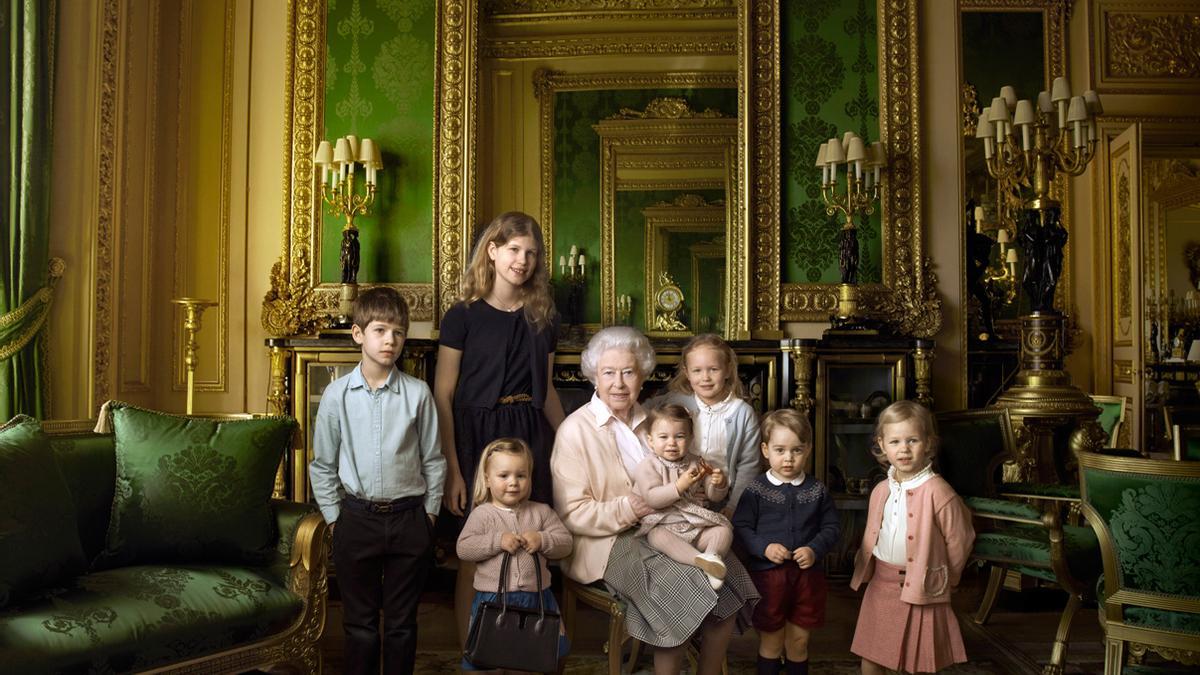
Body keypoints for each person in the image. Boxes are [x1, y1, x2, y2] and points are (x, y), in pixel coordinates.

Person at [551, 327, 758, 675]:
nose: (619, 383)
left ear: (643, 375)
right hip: (608, 540)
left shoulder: (655, 421)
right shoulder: (575, 430)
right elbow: (573, 513)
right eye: (609, 373)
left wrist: (703, 488)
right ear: (593, 377)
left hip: (668, 525)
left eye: (628, 372)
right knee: (678, 586)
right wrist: (631, 508)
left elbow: (686, 474)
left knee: (732, 576)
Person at [435, 211, 567, 645]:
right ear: (492, 251)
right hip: (476, 438)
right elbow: (444, 395)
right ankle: (471, 654)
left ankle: (526, 649)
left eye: (531, 253)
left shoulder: (543, 317)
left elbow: (546, 391)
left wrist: (569, 444)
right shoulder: (463, 316)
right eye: (513, 249)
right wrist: (454, 470)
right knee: (475, 555)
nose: (522, 260)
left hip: (527, 436)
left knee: (531, 546)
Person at [308, 286, 446, 675]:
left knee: (402, 626)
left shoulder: (418, 395)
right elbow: (323, 465)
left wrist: (430, 516)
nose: (390, 340)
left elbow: (433, 460)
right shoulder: (336, 396)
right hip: (356, 519)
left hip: (409, 520)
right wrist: (336, 519)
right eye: (381, 330)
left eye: (398, 332)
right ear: (358, 334)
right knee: (361, 627)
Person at [850, 400, 975, 674]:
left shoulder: (939, 491)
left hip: (922, 587)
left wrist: (948, 579)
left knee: (917, 660)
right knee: (870, 655)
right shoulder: (881, 490)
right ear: (882, 445)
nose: (903, 449)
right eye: (895, 442)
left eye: (913, 440)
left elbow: (960, 539)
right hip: (881, 584)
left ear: (929, 444)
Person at [733, 409, 840, 675]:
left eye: (797, 450)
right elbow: (741, 527)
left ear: (809, 450)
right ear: (765, 450)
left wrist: (814, 549)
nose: (788, 459)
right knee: (771, 640)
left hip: (807, 579)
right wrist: (764, 547)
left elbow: (831, 527)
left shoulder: (817, 490)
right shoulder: (756, 490)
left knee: (799, 641)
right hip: (769, 580)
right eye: (780, 450)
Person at [456, 438, 573, 672]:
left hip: (537, 599)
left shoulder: (541, 512)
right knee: (489, 658)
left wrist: (542, 539)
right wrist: (497, 541)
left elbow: (566, 544)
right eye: (504, 476)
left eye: (521, 475)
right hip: (493, 600)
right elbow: (464, 548)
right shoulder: (483, 515)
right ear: (487, 479)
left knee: (535, 657)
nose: (513, 483)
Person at [653, 333, 762, 514]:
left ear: (727, 370)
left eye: (713, 369)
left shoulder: (742, 413)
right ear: (687, 372)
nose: (705, 378)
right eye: (697, 370)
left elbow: (748, 466)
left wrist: (733, 506)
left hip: (723, 495)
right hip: (680, 494)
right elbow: (645, 414)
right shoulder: (676, 401)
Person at [633, 403, 735, 591]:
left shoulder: (698, 463)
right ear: (650, 441)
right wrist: (679, 486)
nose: (671, 442)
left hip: (695, 526)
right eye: (663, 437)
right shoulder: (647, 466)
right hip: (664, 523)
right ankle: (701, 562)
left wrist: (718, 483)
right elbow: (652, 498)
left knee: (723, 531)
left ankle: (712, 556)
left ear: (690, 438)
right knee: (656, 537)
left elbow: (712, 497)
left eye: (679, 436)